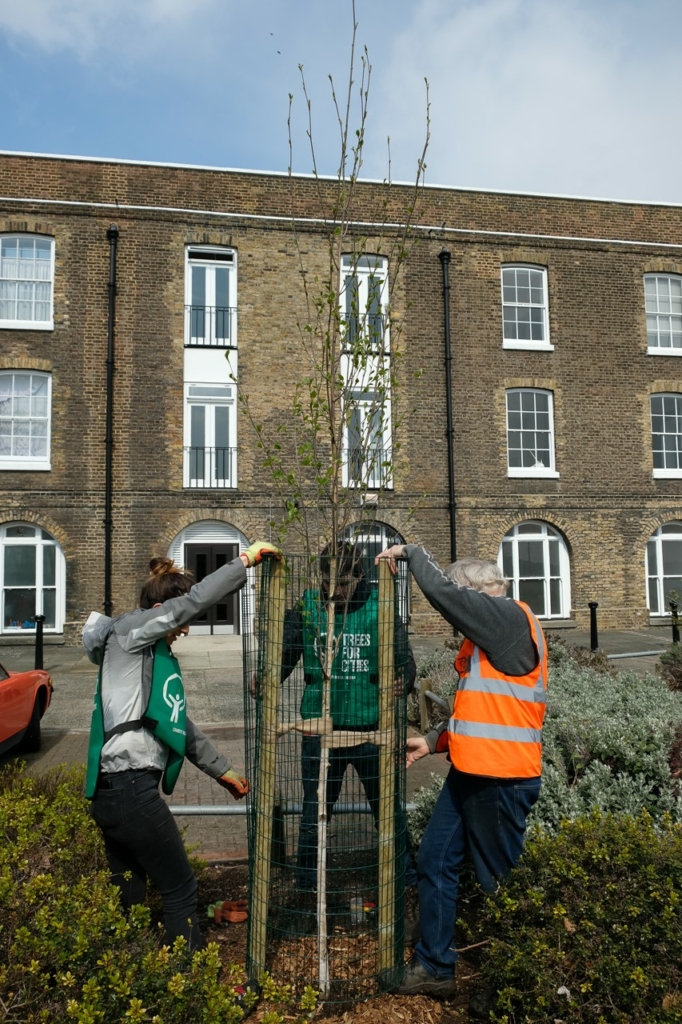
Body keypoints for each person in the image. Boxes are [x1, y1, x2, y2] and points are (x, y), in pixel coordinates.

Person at [84, 541, 278, 951]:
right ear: (160, 613)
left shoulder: (141, 655)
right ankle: (186, 985)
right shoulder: (133, 632)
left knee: (131, 898)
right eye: (179, 621)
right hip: (132, 789)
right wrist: (245, 560)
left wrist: (220, 769)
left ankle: (132, 980)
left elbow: (174, 722)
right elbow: (193, 602)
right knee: (180, 888)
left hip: (109, 793)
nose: (185, 629)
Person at [375, 545, 547, 1005]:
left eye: (463, 600)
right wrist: (432, 742)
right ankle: (435, 966)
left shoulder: (506, 618)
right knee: (434, 859)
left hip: (502, 780)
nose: (458, 616)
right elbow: (485, 711)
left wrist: (413, 553)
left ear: (477, 594)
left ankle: (519, 987)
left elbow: (441, 592)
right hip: (472, 773)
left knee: (499, 882)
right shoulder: (491, 638)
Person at [280, 542, 417, 900]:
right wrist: (263, 680)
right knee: (314, 816)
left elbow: (405, 658)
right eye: (328, 581)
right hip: (319, 729)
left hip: (371, 728)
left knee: (387, 811)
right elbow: (283, 657)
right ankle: (307, 889)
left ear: (359, 576)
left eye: (342, 583)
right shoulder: (309, 607)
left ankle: (407, 881)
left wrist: (406, 678)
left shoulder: (379, 606)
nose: (334, 591)